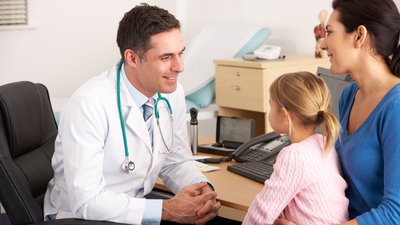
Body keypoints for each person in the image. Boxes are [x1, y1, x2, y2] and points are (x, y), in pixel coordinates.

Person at [43, 3, 222, 225]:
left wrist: (203, 190)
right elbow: (86, 201)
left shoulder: (171, 94)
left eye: (180, 54)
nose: (179, 67)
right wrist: (167, 209)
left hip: (134, 206)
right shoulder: (89, 104)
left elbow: (175, 160)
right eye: (166, 57)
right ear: (132, 58)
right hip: (80, 216)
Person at [275, 0, 400, 225]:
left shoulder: (396, 107)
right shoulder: (349, 95)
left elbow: (395, 214)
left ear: (359, 36)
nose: (323, 44)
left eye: (330, 32)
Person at [243, 71, 349, 225]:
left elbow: (260, 215)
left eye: (271, 104)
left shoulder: (294, 155)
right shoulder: (324, 143)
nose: (269, 111)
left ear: (284, 115)